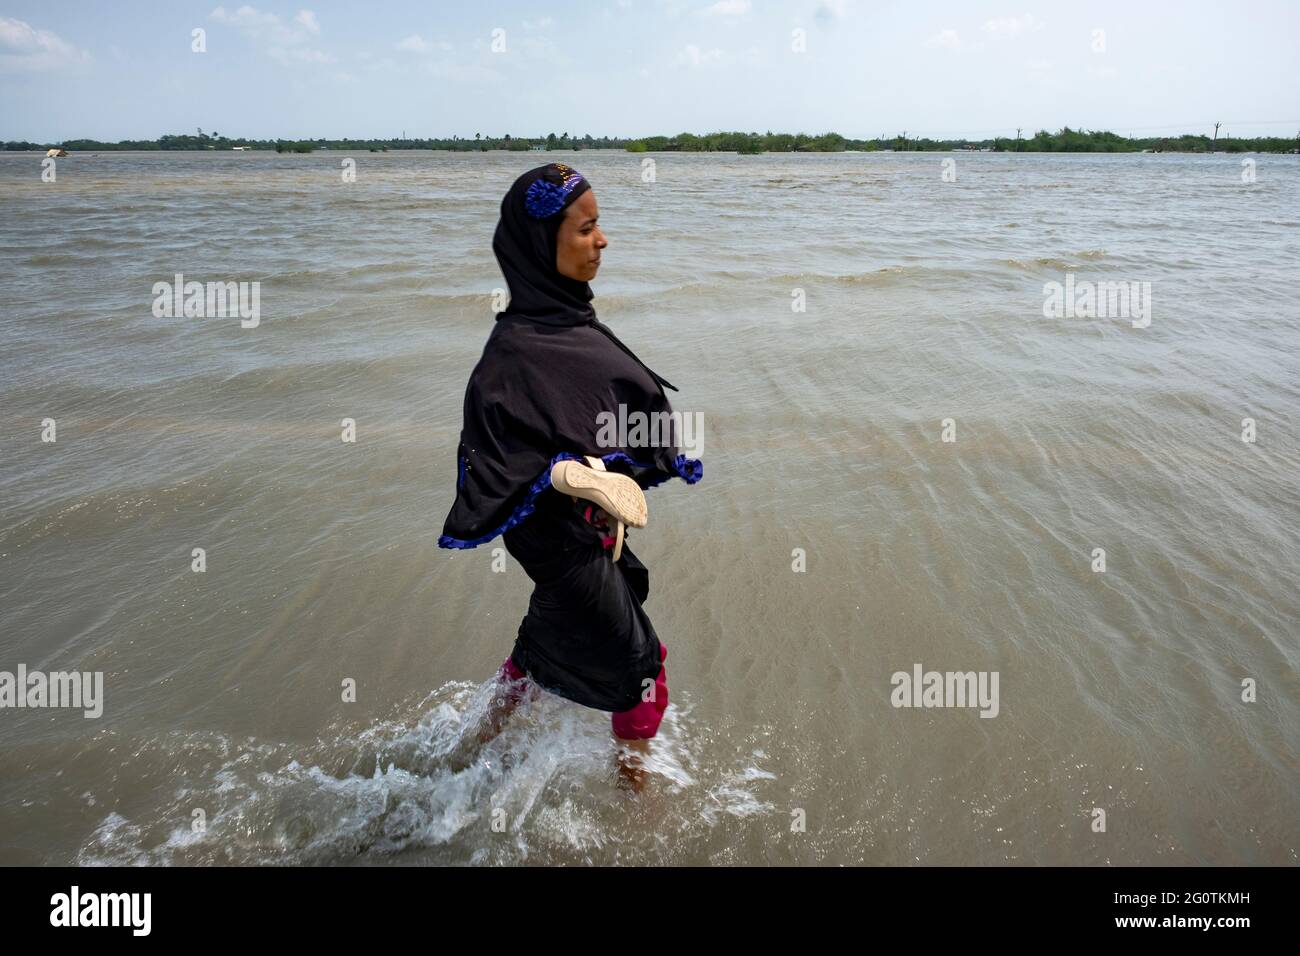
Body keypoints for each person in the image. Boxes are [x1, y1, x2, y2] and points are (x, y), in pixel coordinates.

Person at [438, 163, 703, 786]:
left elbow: (581, 415)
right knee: (645, 671)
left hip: (585, 535)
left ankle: (466, 754)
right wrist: (570, 476)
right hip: (558, 544)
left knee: (536, 652)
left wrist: (601, 471)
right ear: (541, 243)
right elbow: (497, 455)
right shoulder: (512, 352)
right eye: (585, 229)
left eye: (599, 225)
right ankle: (637, 804)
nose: (602, 241)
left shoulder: (565, 321)